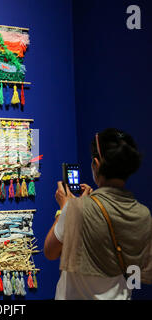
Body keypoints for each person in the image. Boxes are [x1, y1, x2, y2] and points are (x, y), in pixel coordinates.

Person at [44, 128, 152, 300]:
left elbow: (50, 251)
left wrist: (65, 208)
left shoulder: (77, 209)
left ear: (96, 164)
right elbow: (136, 275)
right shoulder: (143, 213)